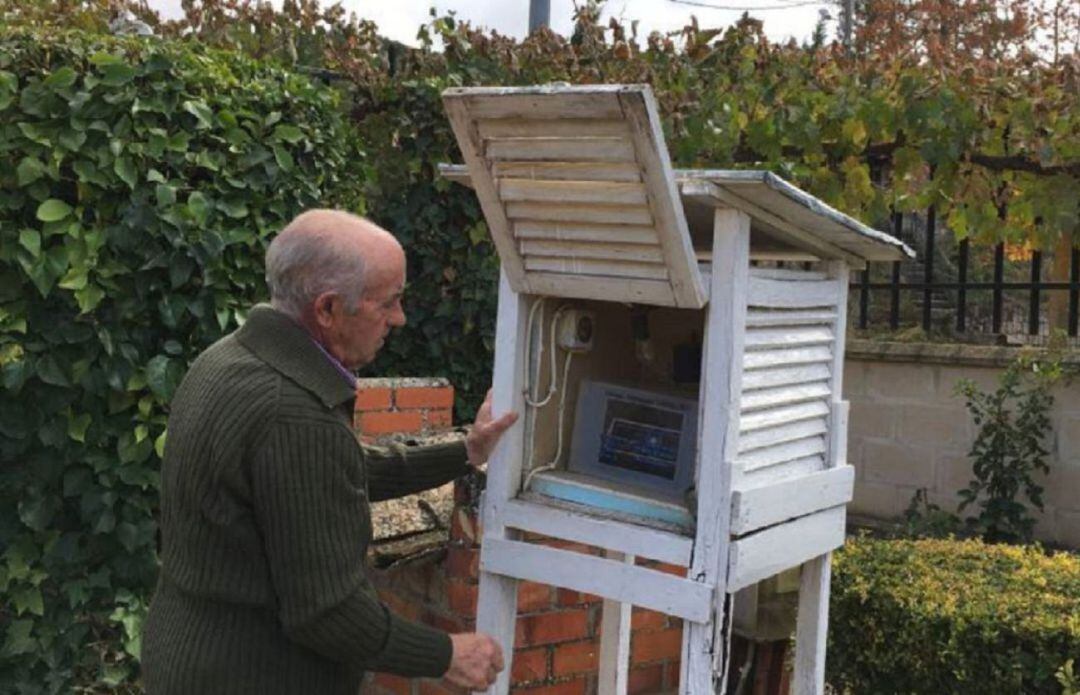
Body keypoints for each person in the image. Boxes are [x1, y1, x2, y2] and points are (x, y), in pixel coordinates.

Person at [142, 209, 517, 694]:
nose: (399, 319)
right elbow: (326, 613)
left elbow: (339, 470)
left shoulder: (230, 360)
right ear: (327, 309)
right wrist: (446, 654)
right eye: (389, 302)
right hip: (253, 675)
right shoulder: (292, 414)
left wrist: (466, 450)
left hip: (188, 654)